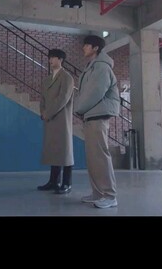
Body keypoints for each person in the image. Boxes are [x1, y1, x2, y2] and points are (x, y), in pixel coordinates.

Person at [74, 35, 120, 208]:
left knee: (100, 157)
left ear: (95, 48)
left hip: (98, 116)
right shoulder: (92, 67)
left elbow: (94, 92)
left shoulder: (101, 67)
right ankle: (98, 193)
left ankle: (110, 195)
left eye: (86, 45)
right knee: (93, 158)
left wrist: (78, 109)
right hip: (91, 115)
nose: (83, 48)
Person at [37, 49, 75, 194]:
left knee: (65, 151)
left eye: (53, 58)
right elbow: (42, 99)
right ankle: (53, 181)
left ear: (60, 59)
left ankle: (66, 183)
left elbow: (63, 98)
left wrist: (48, 113)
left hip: (61, 118)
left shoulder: (67, 77)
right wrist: (42, 112)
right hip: (49, 119)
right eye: (49, 58)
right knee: (53, 150)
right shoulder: (47, 79)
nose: (50, 60)